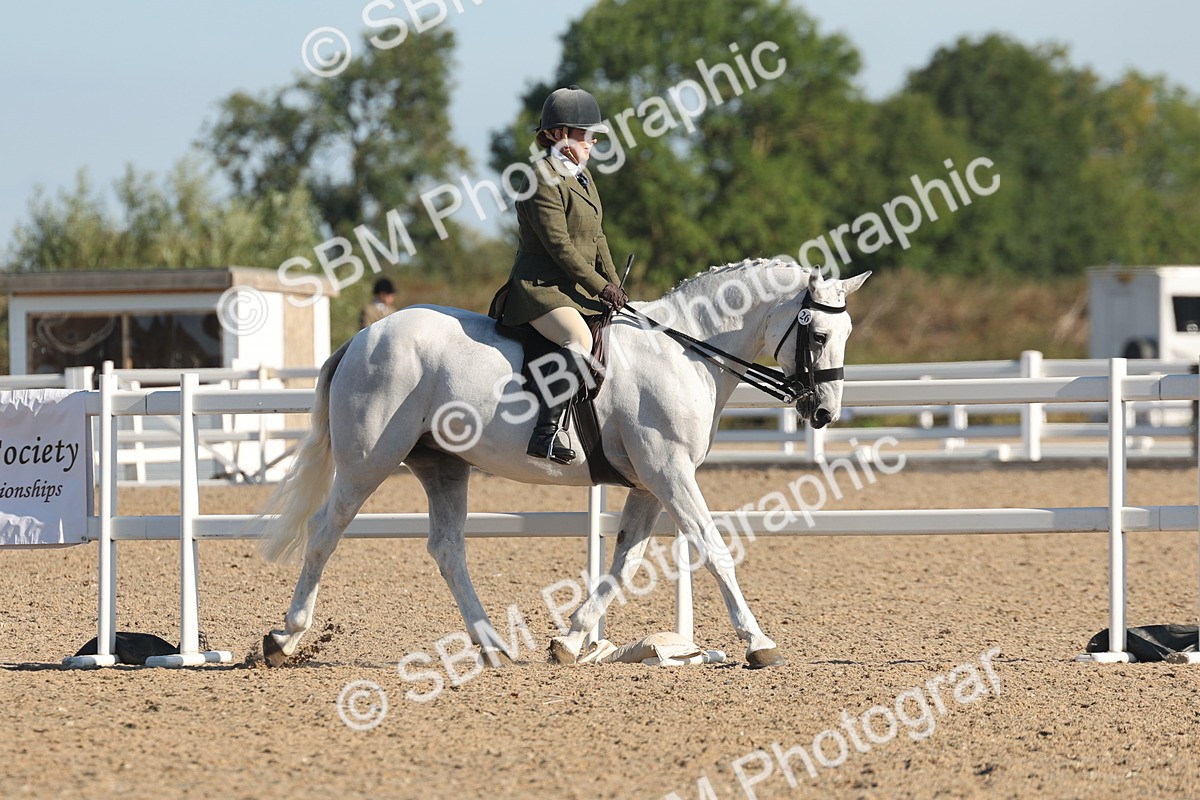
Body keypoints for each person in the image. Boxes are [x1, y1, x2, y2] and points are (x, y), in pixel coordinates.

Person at [489, 85, 629, 464]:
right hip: (541, 290)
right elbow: (561, 247)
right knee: (579, 338)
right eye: (586, 134)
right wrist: (600, 287)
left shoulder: (582, 176)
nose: (593, 141)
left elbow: (597, 237)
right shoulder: (540, 178)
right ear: (559, 134)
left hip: (572, 289)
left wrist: (615, 285)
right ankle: (545, 434)